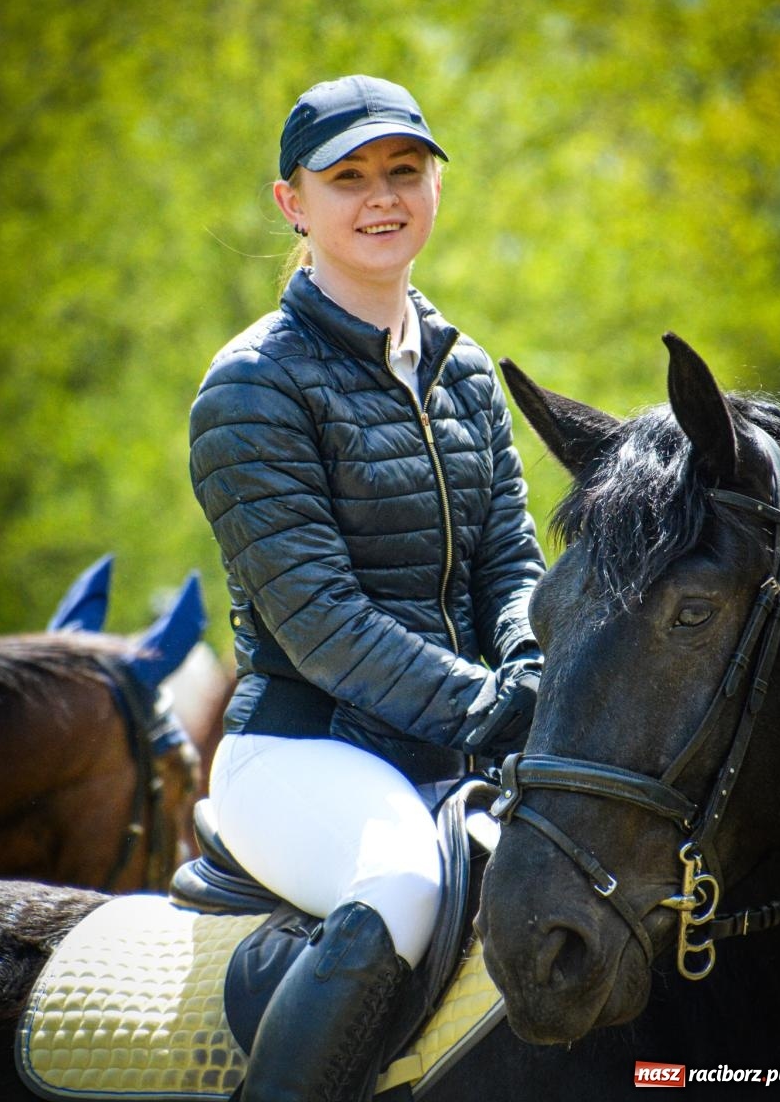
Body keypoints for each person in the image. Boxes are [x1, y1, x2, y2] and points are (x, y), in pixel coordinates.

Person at [189, 74, 545, 1102]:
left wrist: (530, 667)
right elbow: (321, 622)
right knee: (401, 887)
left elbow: (508, 566)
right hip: (304, 753)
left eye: (404, 170)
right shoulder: (252, 384)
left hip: (453, 743)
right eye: (347, 177)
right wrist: (494, 708)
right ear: (291, 204)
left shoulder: (464, 370)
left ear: (434, 187)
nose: (382, 196)